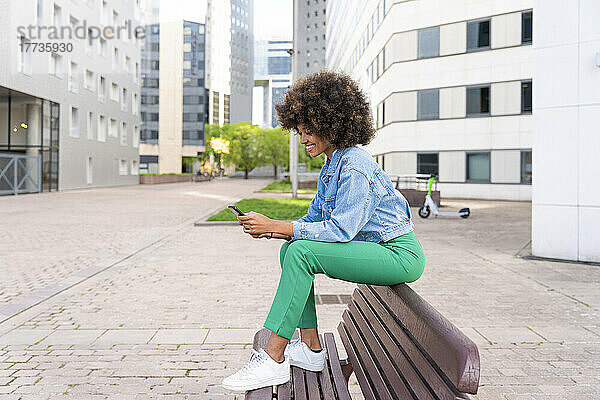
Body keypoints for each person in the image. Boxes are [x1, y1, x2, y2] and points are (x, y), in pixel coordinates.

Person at [222, 70, 425, 392]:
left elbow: (341, 230)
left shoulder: (355, 163)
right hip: (379, 250)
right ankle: (312, 347)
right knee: (292, 248)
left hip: (398, 254)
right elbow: (313, 222)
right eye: (299, 132)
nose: (302, 139)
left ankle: (273, 358)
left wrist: (278, 225)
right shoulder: (332, 166)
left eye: (309, 131)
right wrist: (271, 229)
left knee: (300, 251)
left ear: (333, 123)